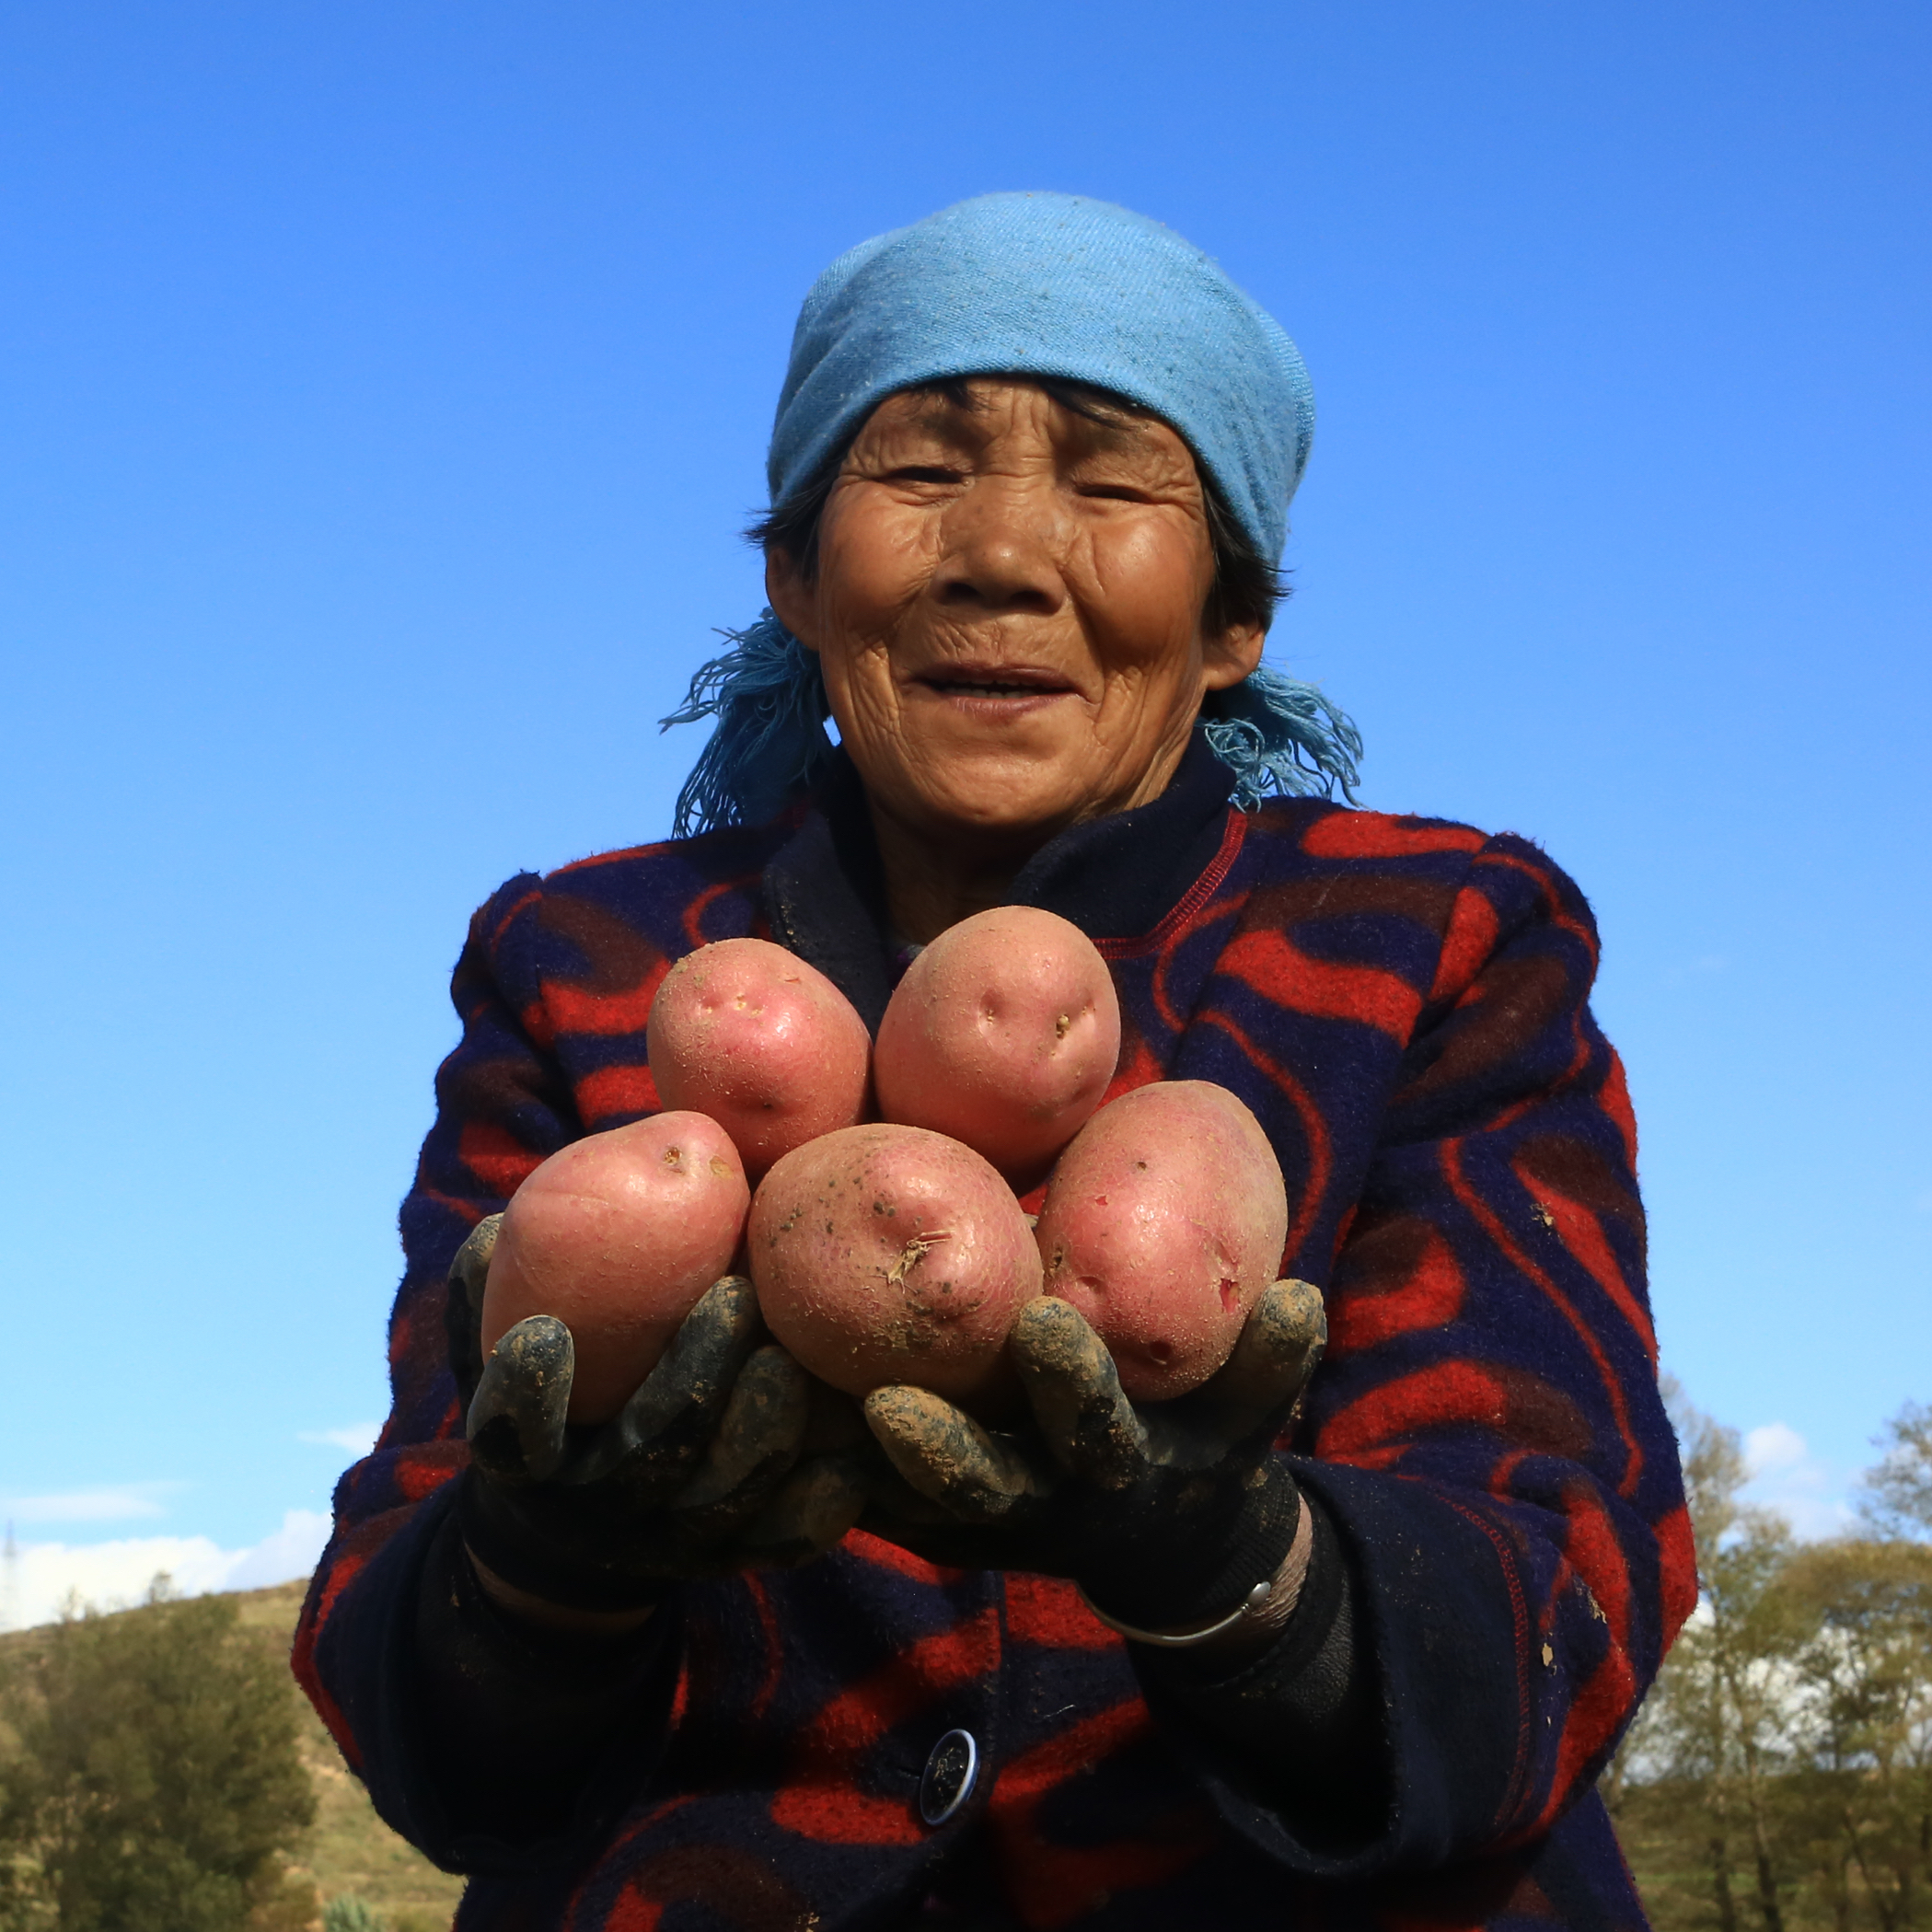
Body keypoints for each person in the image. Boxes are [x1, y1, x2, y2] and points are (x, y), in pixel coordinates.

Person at [295, 192, 1695, 1930]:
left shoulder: (1435, 937)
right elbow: (414, 1703)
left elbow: (1563, 1587)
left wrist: (1237, 1569)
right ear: (794, 575)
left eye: (1114, 484)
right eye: (919, 469)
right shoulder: (583, 963)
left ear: (1236, 614)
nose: (1006, 553)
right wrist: (547, 1563)